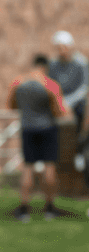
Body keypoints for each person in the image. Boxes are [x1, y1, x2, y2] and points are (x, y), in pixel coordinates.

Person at [6, 55, 71, 221]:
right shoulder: (50, 85)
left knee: (28, 167)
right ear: (45, 67)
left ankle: (24, 208)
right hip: (47, 129)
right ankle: (49, 207)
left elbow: (12, 106)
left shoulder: (18, 82)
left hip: (28, 129)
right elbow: (59, 111)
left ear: (33, 65)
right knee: (49, 166)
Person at [47, 31, 88, 170]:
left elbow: (84, 86)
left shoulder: (81, 63)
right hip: (58, 100)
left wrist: (69, 101)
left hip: (76, 101)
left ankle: (79, 152)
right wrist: (59, 100)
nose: (60, 51)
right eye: (58, 48)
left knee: (83, 115)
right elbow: (51, 84)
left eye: (62, 47)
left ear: (69, 47)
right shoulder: (52, 64)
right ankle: (46, 155)